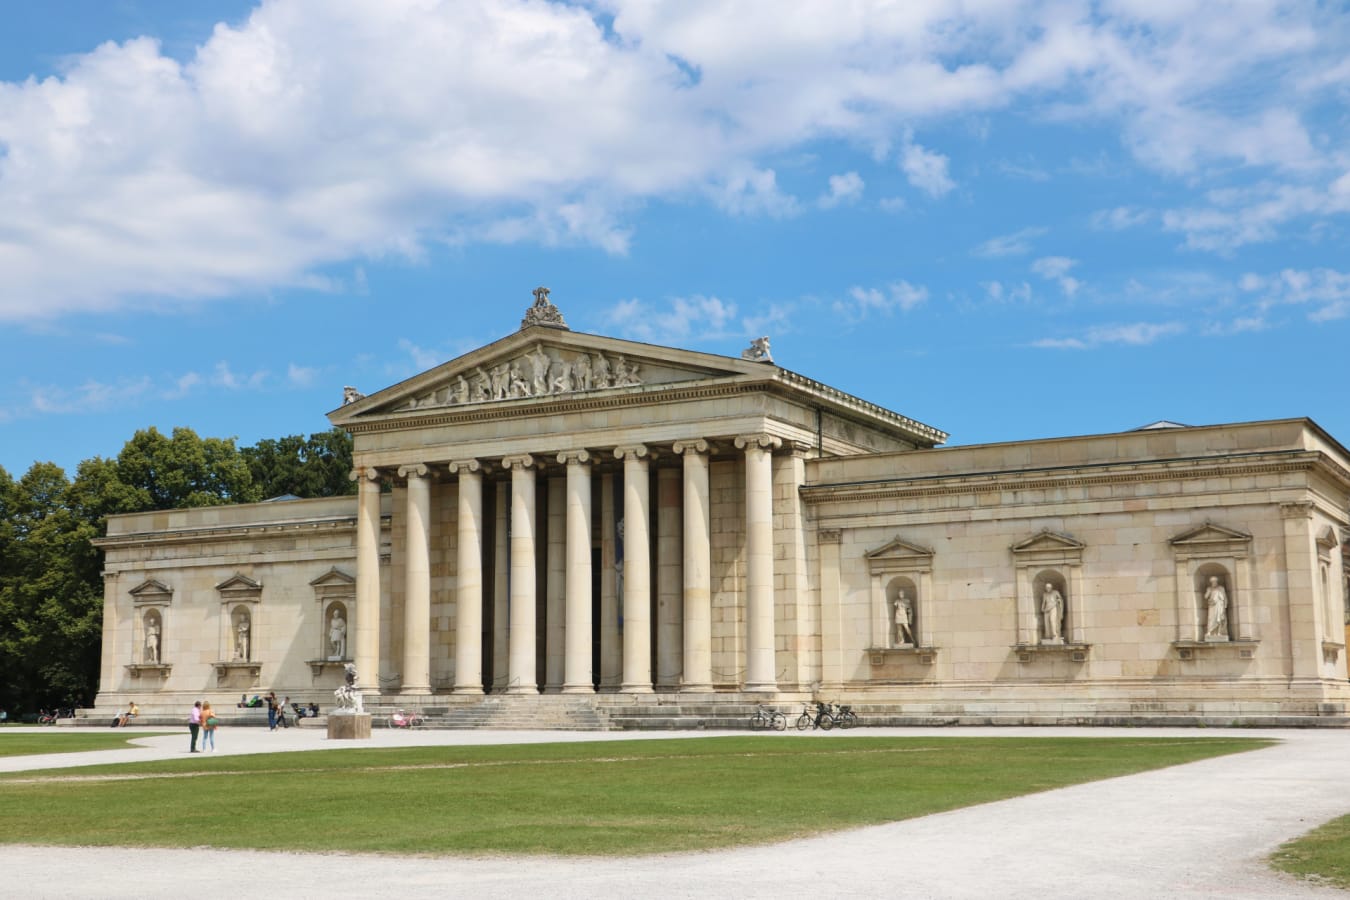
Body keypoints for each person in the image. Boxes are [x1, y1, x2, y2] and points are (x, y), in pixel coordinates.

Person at [1205, 575, 1229, 640]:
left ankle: (1219, 633)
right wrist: (1209, 591)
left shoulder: (1221, 588)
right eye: (1212, 582)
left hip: (1219, 605)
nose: (1214, 583)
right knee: (1211, 619)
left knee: (1219, 618)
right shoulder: (1209, 588)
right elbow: (1206, 597)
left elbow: (1224, 597)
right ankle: (1210, 632)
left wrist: (1225, 605)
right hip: (1212, 606)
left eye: (1215, 581)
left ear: (1217, 582)